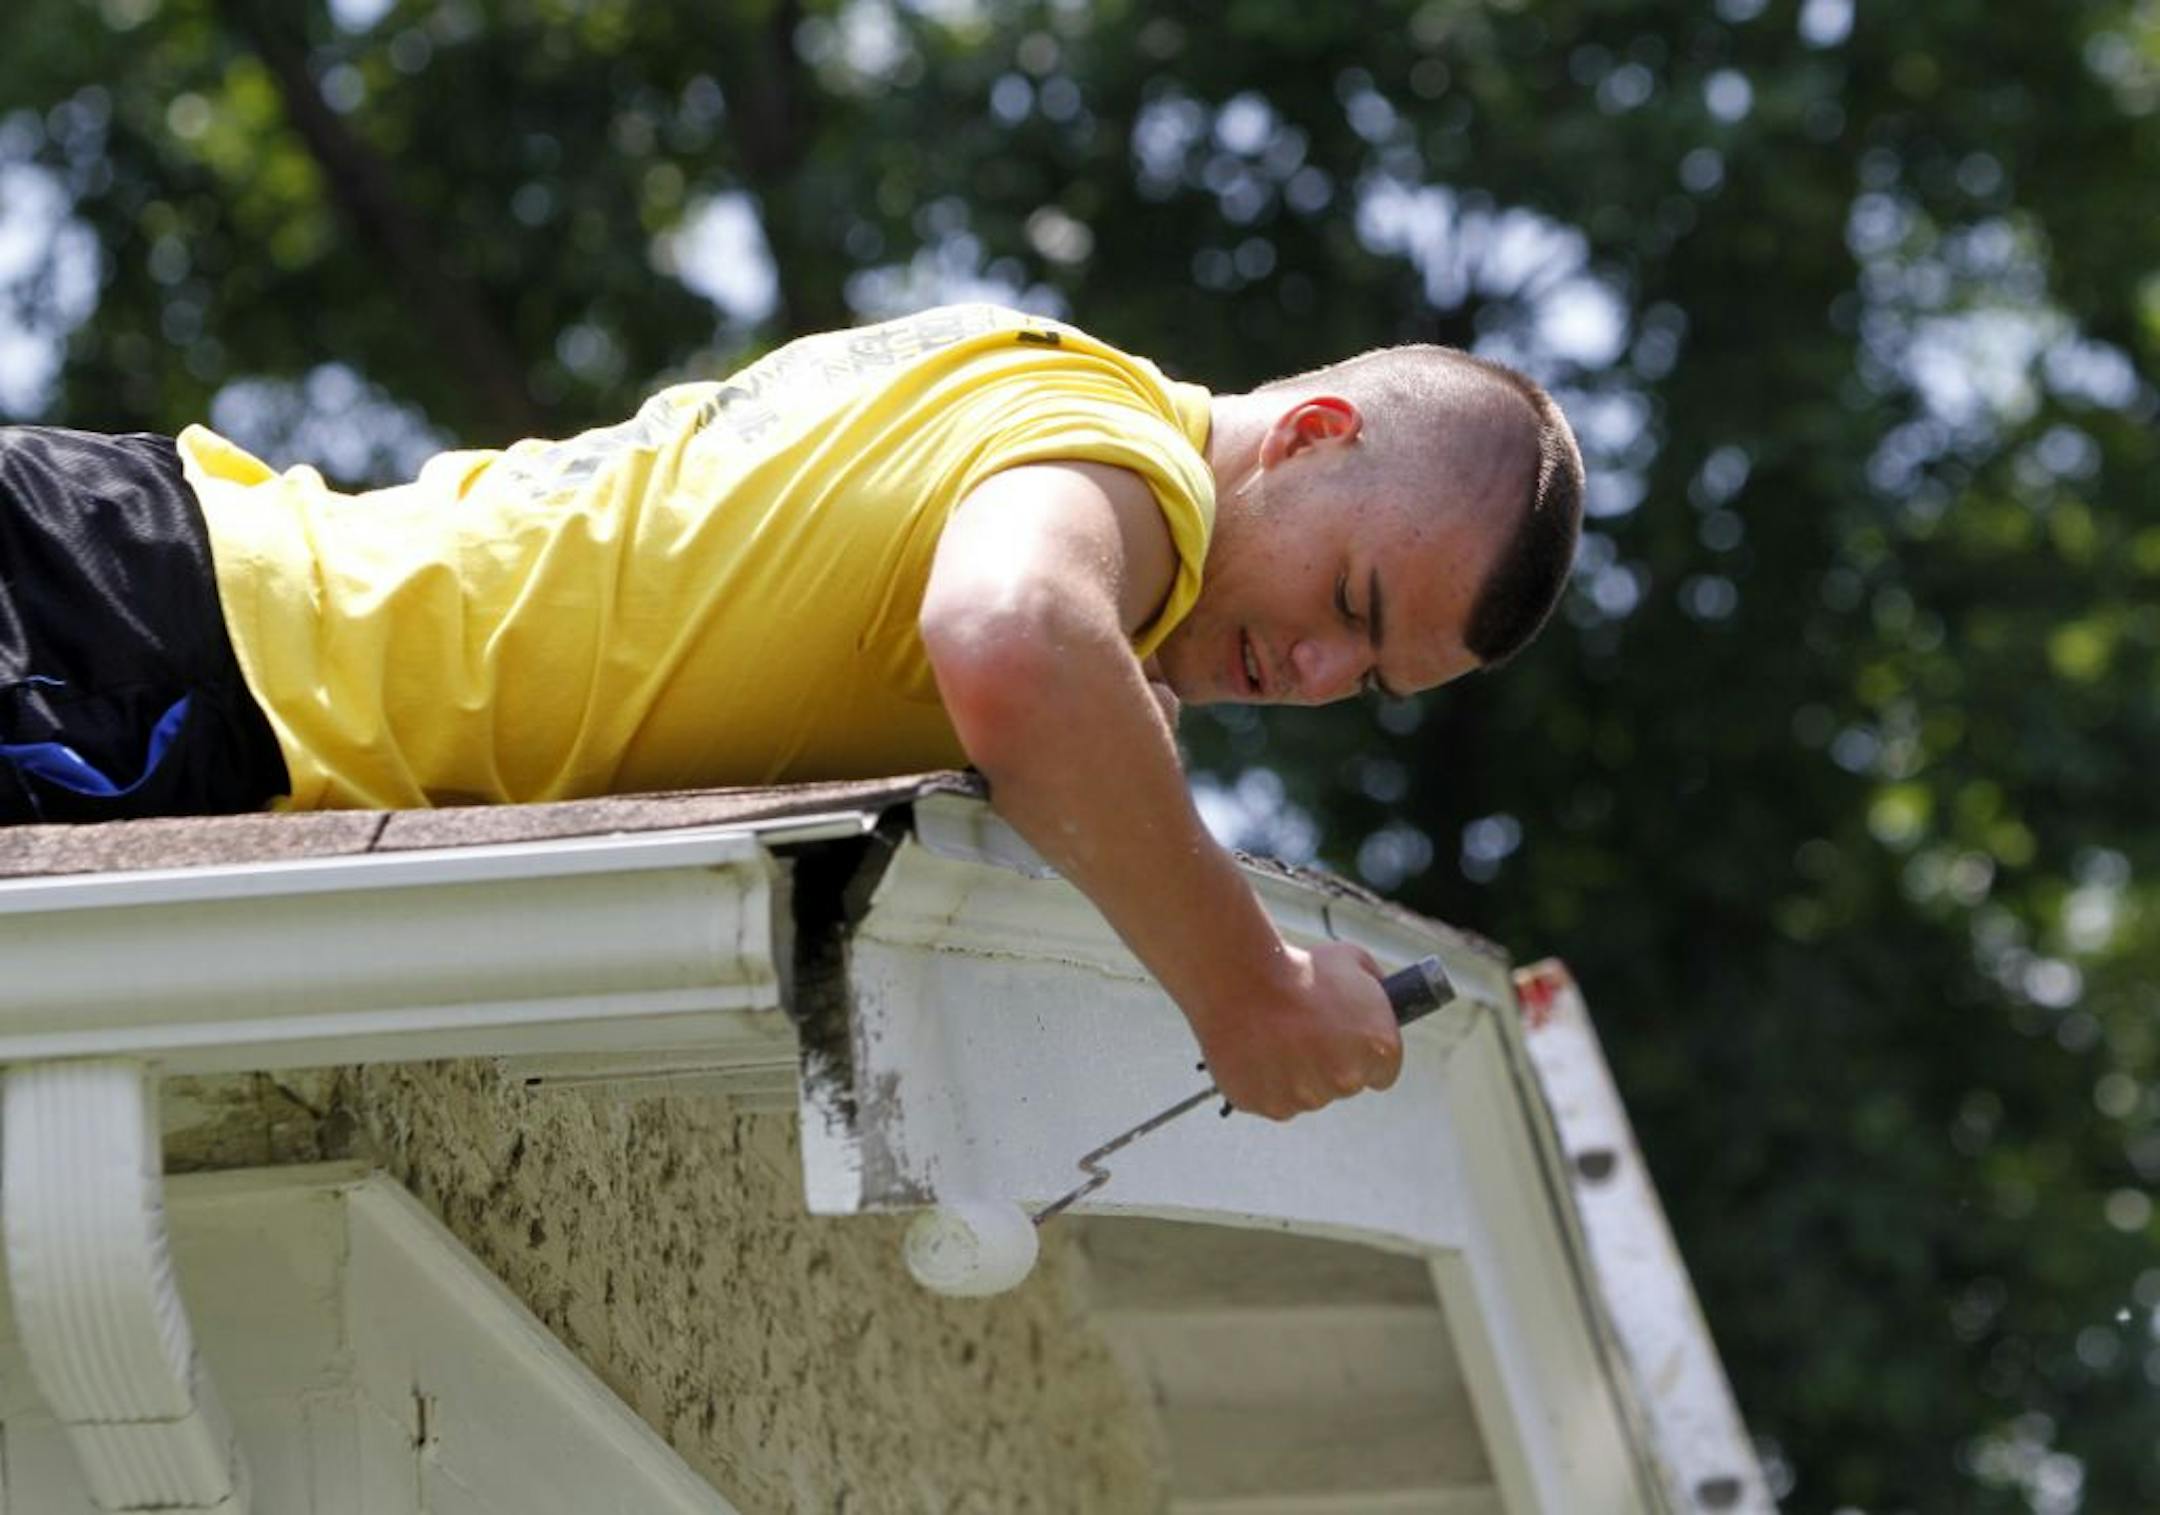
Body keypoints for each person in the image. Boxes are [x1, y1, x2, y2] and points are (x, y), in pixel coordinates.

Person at [0, 301, 1583, 1120]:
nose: (1309, 673)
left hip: (155, 600)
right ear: (1307, 436)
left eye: (1363, 679)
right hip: (156, 653)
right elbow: (1017, 638)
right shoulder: (1130, 472)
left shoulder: (1026, 385)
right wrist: (1246, 987)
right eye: (1349, 609)